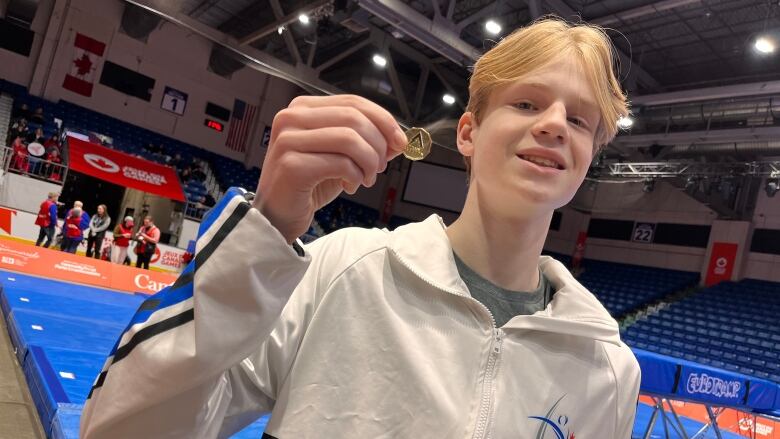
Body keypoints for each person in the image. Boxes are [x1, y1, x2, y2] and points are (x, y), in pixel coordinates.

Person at [81, 19, 640, 438]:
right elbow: (122, 427)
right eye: (526, 102)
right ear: (467, 133)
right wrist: (266, 231)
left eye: (578, 119)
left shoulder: (607, 368)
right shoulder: (343, 269)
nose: (553, 127)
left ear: (589, 154)